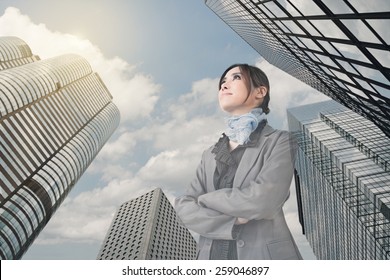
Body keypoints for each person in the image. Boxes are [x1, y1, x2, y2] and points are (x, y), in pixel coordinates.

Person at [174, 63, 302, 260]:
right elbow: (184, 208)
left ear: (260, 92)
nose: (224, 85)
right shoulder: (209, 154)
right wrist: (233, 220)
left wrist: (205, 200)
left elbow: (264, 201)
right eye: (222, 82)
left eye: (235, 78)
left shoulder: (281, 140)